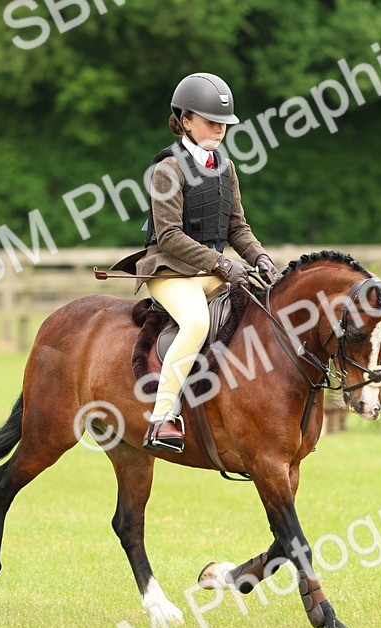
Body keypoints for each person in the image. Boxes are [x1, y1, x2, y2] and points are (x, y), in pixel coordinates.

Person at [136, 72, 280, 453]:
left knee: (263, 306)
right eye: (211, 121)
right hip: (169, 270)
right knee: (197, 321)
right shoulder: (167, 170)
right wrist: (223, 264)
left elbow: (237, 227)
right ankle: (162, 417)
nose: (219, 129)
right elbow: (169, 236)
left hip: (211, 270)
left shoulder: (225, 168)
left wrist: (261, 258)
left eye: (224, 123)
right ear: (185, 121)